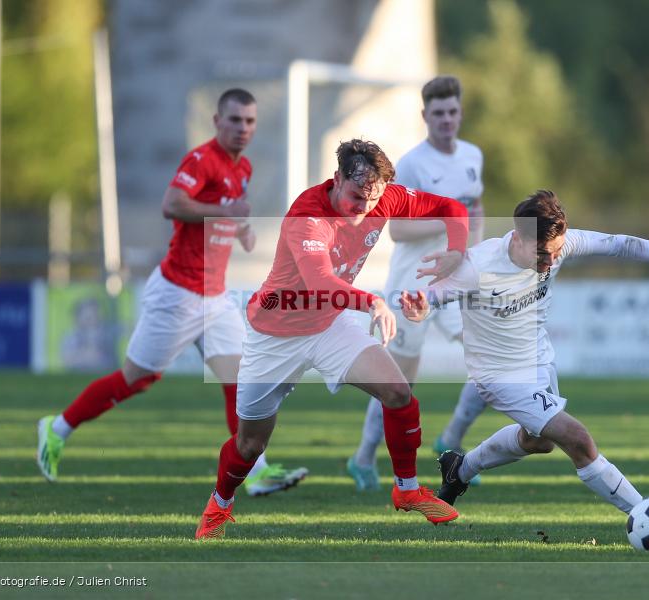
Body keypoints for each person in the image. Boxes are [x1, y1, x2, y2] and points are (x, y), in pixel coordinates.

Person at [37, 88, 308, 497]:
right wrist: (225, 212)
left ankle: (256, 472)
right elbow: (172, 205)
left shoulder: (243, 167)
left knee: (242, 379)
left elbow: (229, 209)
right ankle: (56, 428)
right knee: (135, 379)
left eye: (250, 121)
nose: (243, 128)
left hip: (215, 297)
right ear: (217, 121)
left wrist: (242, 228)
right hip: (178, 293)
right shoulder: (201, 160)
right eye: (235, 120)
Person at [194, 139, 469, 539]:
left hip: (328, 325)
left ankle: (407, 490)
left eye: (373, 200)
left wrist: (457, 251)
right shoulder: (307, 215)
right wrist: (372, 301)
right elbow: (320, 282)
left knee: (398, 393)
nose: (364, 208)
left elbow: (453, 208)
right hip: (274, 335)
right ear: (337, 179)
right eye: (356, 197)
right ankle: (219, 505)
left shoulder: (383, 197)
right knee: (250, 445)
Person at [398, 190, 649, 515]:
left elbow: (620, 243)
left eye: (556, 252)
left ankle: (461, 468)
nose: (551, 261)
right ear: (518, 237)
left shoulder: (560, 245)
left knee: (539, 442)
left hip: (539, 361)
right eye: (543, 253)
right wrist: (421, 307)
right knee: (577, 439)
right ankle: (643, 514)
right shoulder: (478, 265)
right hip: (499, 376)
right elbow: (434, 296)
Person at [347, 76, 487, 491]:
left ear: (460, 113)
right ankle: (363, 458)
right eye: (438, 113)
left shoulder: (473, 155)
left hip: (456, 282)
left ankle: (452, 443)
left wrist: (474, 253)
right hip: (414, 284)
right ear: (425, 115)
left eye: (452, 111)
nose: (446, 119)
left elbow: (476, 207)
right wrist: (449, 219)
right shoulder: (412, 164)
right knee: (400, 383)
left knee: (489, 358)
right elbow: (397, 230)